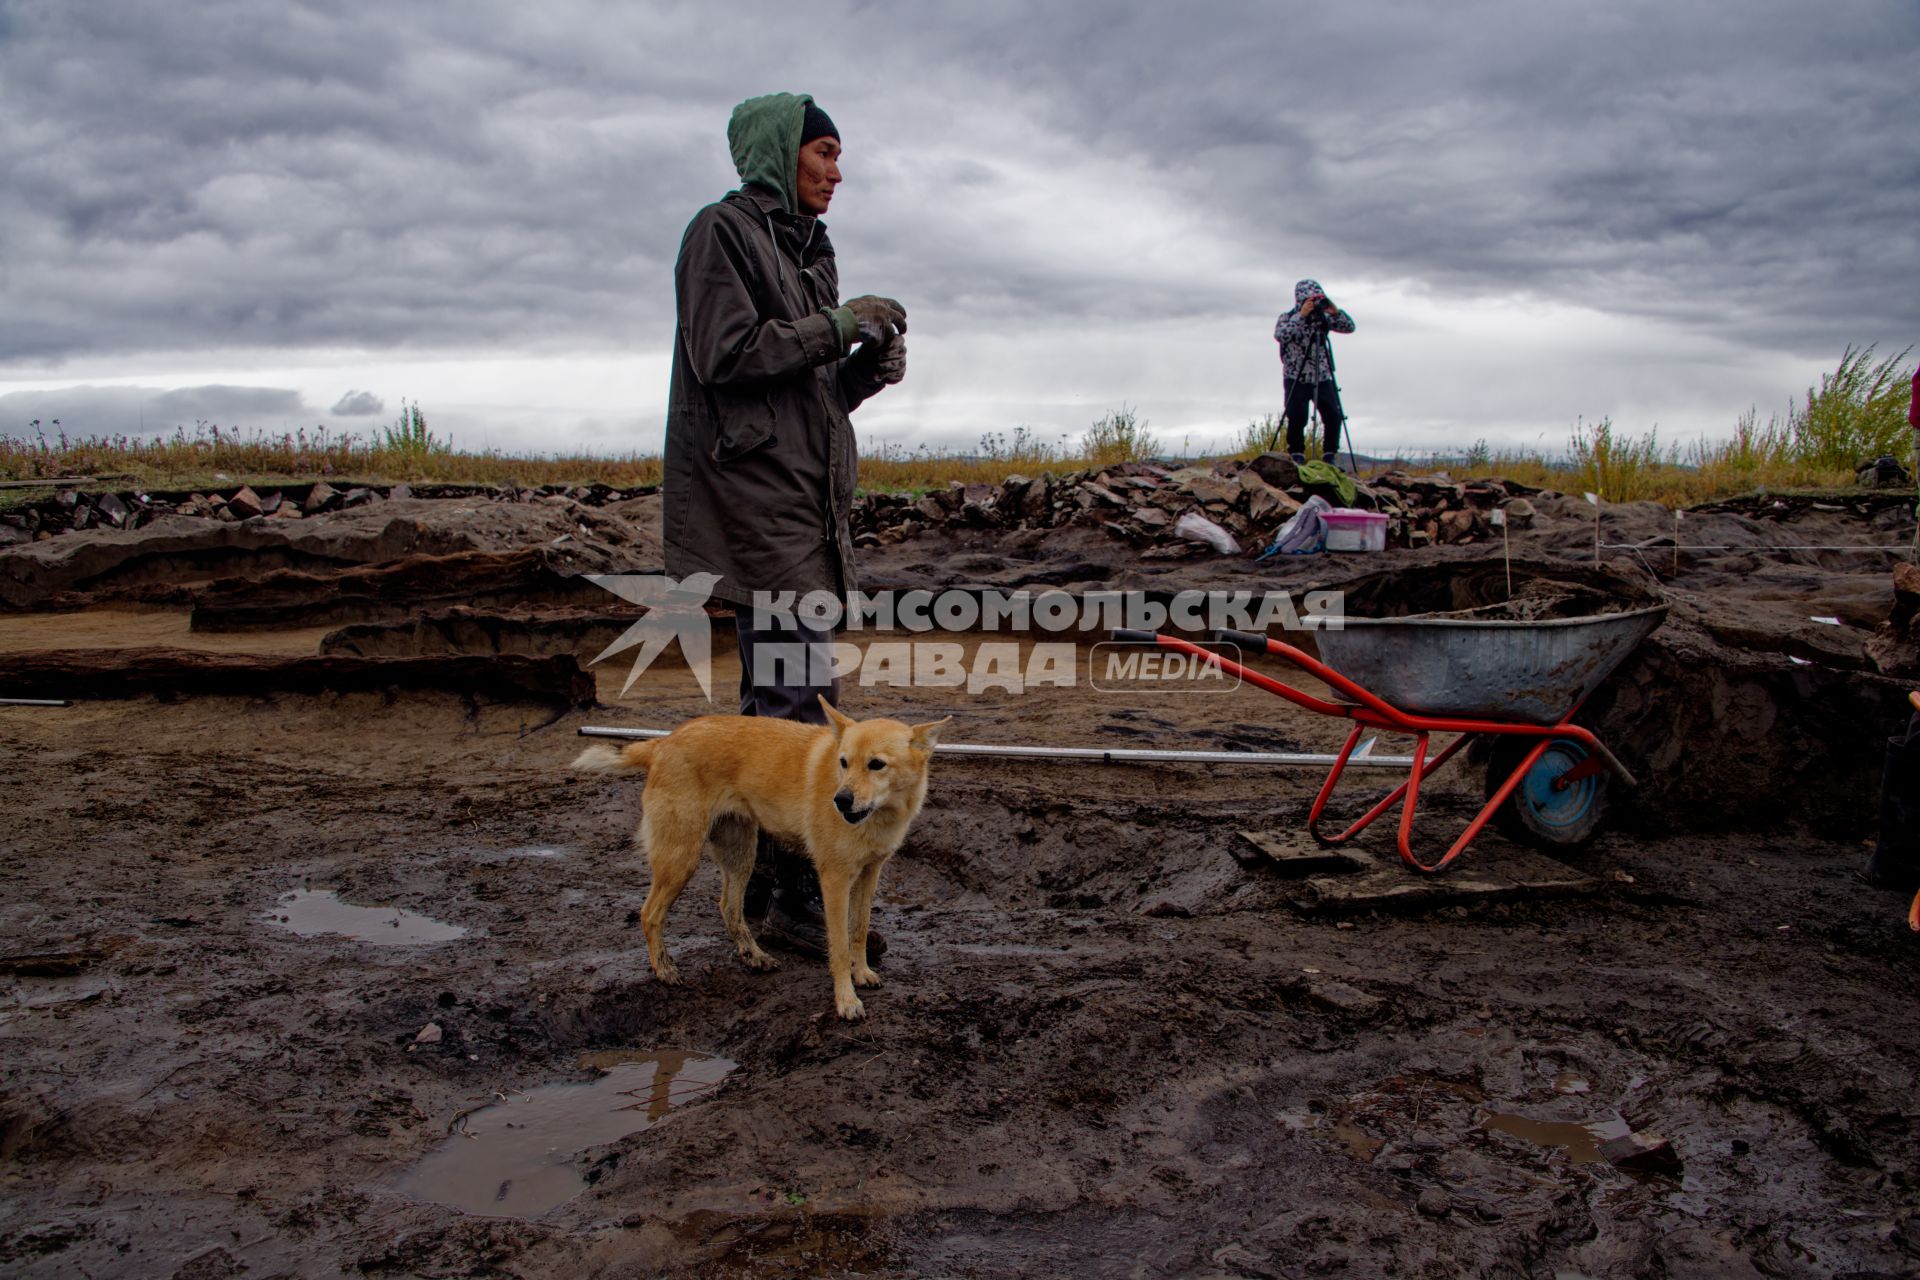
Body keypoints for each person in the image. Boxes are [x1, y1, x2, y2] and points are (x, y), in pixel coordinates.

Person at [662, 92, 907, 959]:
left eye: (839, 159)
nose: (837, 173)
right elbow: (724, 353)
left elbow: (806, 396)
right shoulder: (719, 234)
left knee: (777, 701)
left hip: (800, 506)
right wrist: (836, 325)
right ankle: (804, 898)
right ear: (780, 152)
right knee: (800, 702)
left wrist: (863, 372)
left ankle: (764, 880)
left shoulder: (809, 251)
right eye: (825, 153)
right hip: (755, 509)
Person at [1273, 278, 1356, 464]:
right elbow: (1281, 335)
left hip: (1322, 376)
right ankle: (1296, 455)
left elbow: (1350, 327)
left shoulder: (1323, 319)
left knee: (1333, 416)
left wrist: (1335, 312)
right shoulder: (1288, 317)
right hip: (1296, 376)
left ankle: (1329, 456)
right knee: (1296, 417)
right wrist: (1301, 316)